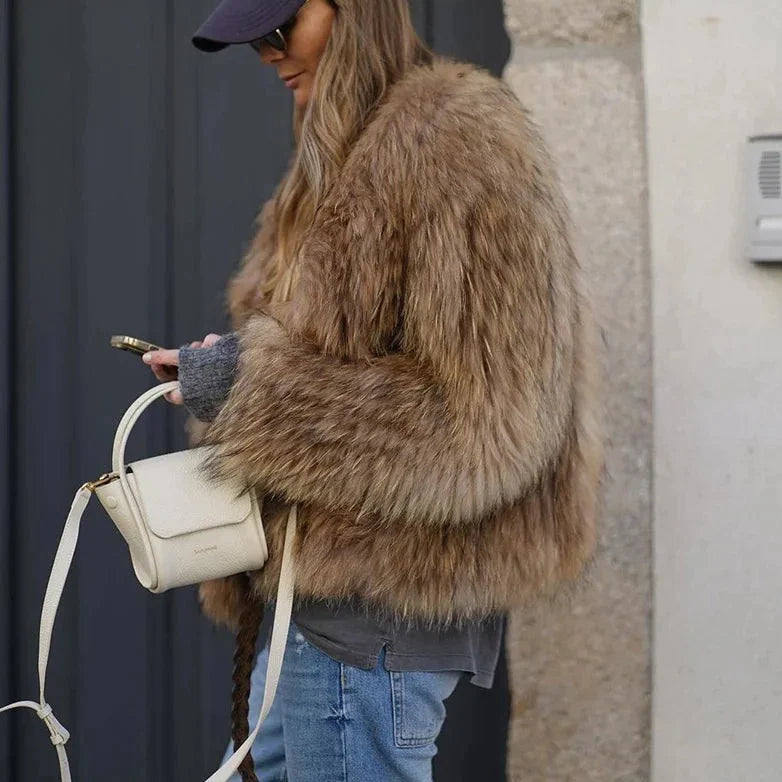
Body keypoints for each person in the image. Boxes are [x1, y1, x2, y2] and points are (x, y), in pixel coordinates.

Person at [143, 1, 605, 780]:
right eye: (252, 37)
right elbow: (346, 352)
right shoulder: (349, 146)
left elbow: (487, 417)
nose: (266, 52)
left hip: (380, 596)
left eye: (280, 26)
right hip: (317, 594)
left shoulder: (454, 138)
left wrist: (254, 391)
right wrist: (237, 366)